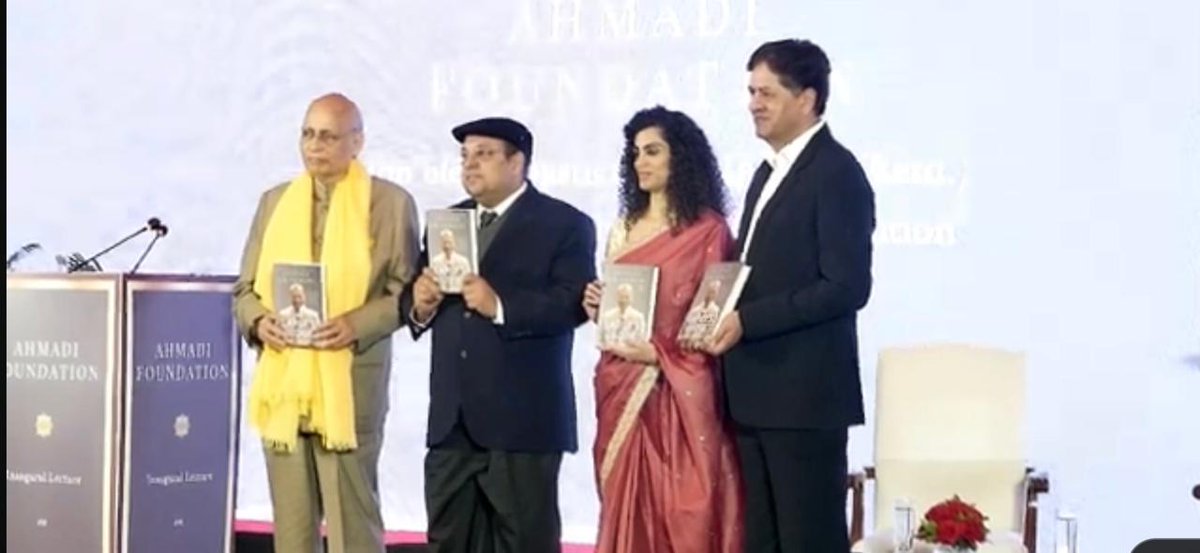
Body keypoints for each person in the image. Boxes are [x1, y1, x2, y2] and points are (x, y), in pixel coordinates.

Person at [705, 39, 876, 553]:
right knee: (763, 540)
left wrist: (749, 320)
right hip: (754, 392)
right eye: (751, 92)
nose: (754, 104)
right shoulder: (767, 171)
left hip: (804, 397)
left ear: (807, 99)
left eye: (768, 93)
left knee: (808, 539)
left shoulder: (837, 172)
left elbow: (846, 286)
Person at [232, 93, 421, 553]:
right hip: (284, 388)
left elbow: (407, 292)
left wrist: (357, 324)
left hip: (349, 386)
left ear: (357, 142)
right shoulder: (275, 202)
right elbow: (244, 291)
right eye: (308, 134)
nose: (315, 145)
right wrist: (259, 323)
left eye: (329, 136)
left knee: (352, 525)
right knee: (293, 530)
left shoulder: (390, 203)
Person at [400, 117, 596, 553]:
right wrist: (420, 303)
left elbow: (572, 303)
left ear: (516, 163)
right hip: (453, 421)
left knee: (523, 540)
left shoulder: (564, 223)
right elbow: (412, 302)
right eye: (465, 156)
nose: (470, 165)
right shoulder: (448, 222)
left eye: (484, 154)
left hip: (521, 423)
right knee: (447, 540)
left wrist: (501, 305)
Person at [580, 105, 743, 553]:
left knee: (682, 514)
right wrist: (597, 306)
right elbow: (621, 310)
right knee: (625, 505)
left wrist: (659, 355)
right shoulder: (624, 229)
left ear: (681, 157)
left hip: (677, 394)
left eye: (653, 151)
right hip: (621, 386)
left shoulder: (708, 231)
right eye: (635, 153)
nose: (641, 162)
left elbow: (709, 317)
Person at [596, 282, 646, 348]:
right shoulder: (606, 317)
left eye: (626, 297)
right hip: (609, 352)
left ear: (631, 298)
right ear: (616, 297)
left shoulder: (638, 318)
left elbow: (641, 342)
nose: (623, 300)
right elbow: (599, 340)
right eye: (621, 297)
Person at [680, 279, 722, 346]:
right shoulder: (696, 309)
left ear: (716, 294)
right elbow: (686, 324)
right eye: (709, 291)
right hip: (685, 339)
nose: (709, 294)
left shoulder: (714, 311)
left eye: (713, 292)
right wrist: (684, 335)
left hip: (697, 342)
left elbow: (708, 331)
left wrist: (695, 338)